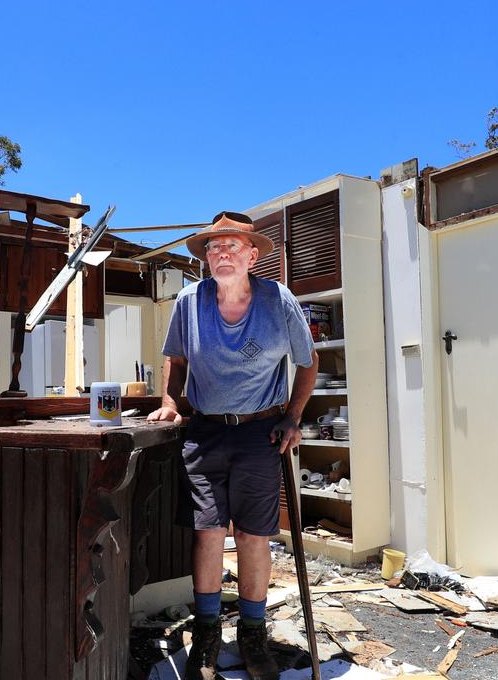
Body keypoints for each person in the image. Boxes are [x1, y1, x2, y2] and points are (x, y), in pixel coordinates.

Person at [147, 210, 318, 680]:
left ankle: (253, 632)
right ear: (205, 258)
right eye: (213, 248)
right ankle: (205, 632)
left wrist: (293, 417)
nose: (221, 253)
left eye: (232, 246)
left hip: (259, 431)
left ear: (252, 254)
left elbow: (307, 363)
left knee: (251, 534)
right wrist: (169, 402)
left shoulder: (277, 300)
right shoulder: (189, 301)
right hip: (204, 429)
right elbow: (176, 360)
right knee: (207, 532)